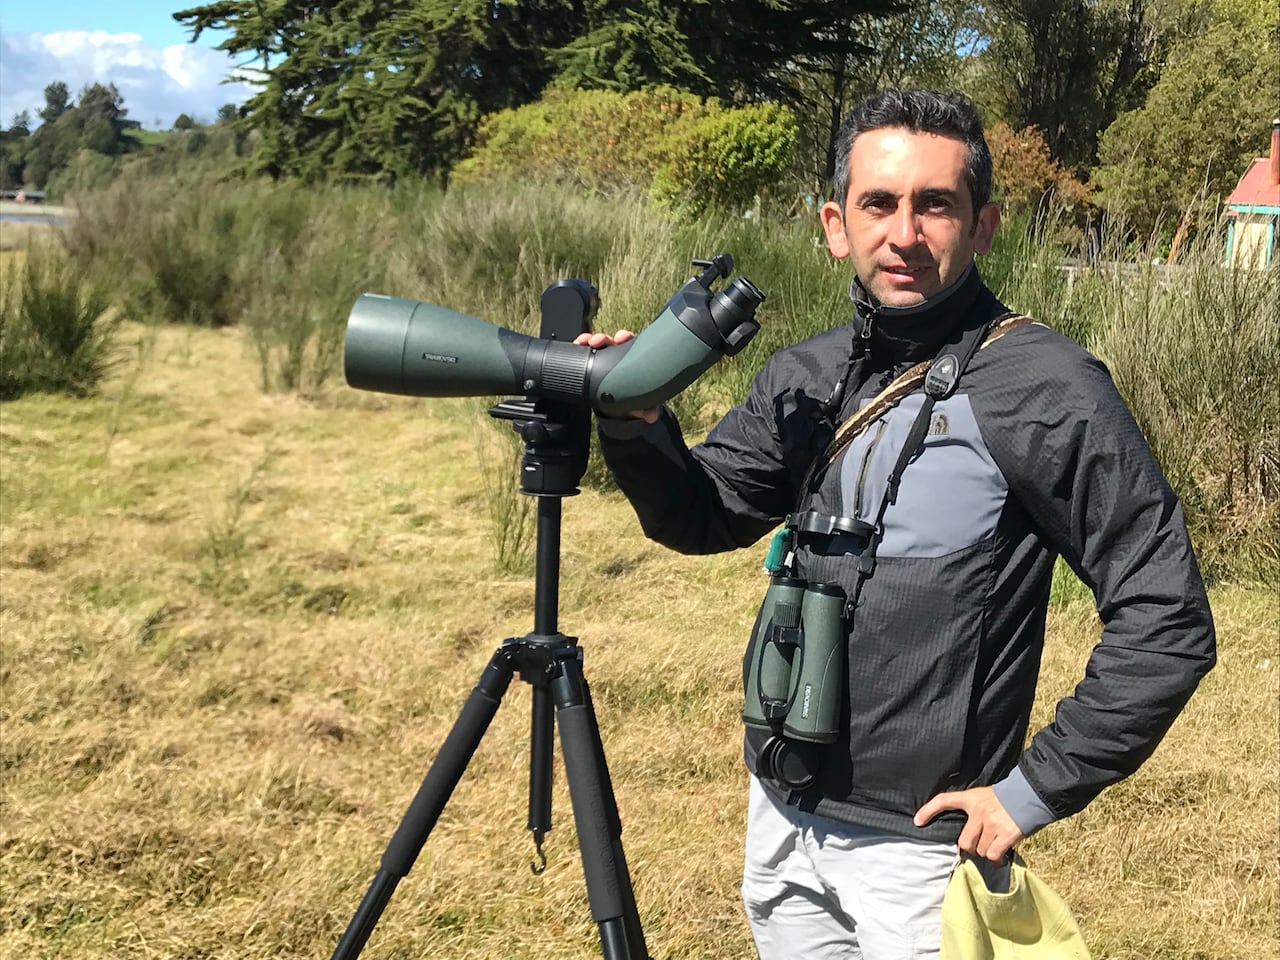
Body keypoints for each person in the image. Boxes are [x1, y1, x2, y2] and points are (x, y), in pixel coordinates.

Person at [580, 88, 1216, 959]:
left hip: (920, 857)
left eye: (936, 204)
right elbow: (703, 512)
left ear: (983, 225)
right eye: (879, 203)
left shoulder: (1048, 388)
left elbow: (1166, 620)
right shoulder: (806, 372)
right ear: (836, 224)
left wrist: (1030, 792)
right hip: (781, 818)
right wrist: (635, 425)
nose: (904, 233)